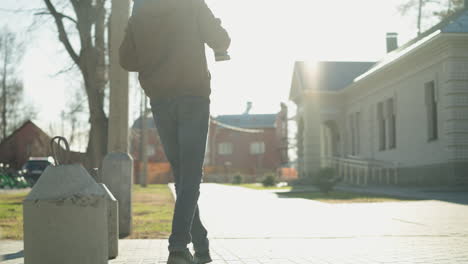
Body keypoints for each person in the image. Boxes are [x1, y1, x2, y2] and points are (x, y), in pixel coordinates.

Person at [119, 0, 231, 263]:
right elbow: (220, 39)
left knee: (184, 176)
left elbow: (126, 59)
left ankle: (201, 246)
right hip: (193, 96)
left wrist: (137, 31)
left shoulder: (140, 11)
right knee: (190, 175)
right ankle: (178, 247)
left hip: (160, 99)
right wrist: (217, 32)